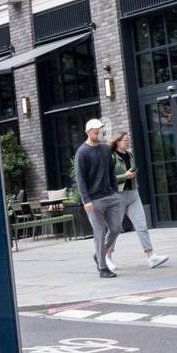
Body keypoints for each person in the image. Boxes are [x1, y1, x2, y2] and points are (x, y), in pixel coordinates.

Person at [106, 131, 169, 271]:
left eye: (128, 140)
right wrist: (125, 176)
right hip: (119, 196)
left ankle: (151, 256)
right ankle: (107, 257)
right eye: (125, 140)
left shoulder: (130, 155)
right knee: (114, 228)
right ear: (118, 142)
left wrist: (132, 175)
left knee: (141, 225)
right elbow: (108, 178)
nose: (128, 142)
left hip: (133, 194)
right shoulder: (111, 157)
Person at [75, 119, 124, 279]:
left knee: (116, 228)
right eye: (96, 131)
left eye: (100, 131)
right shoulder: (82, 152)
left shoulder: (104, 149)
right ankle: (103, 268)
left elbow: (111, 171)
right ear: (88, 132)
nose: (99, 133)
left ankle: (98, 254)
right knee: (100, 233)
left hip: (110, 196)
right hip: (94, 201)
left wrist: (115, 191)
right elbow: (80, 179)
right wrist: (86, 200)